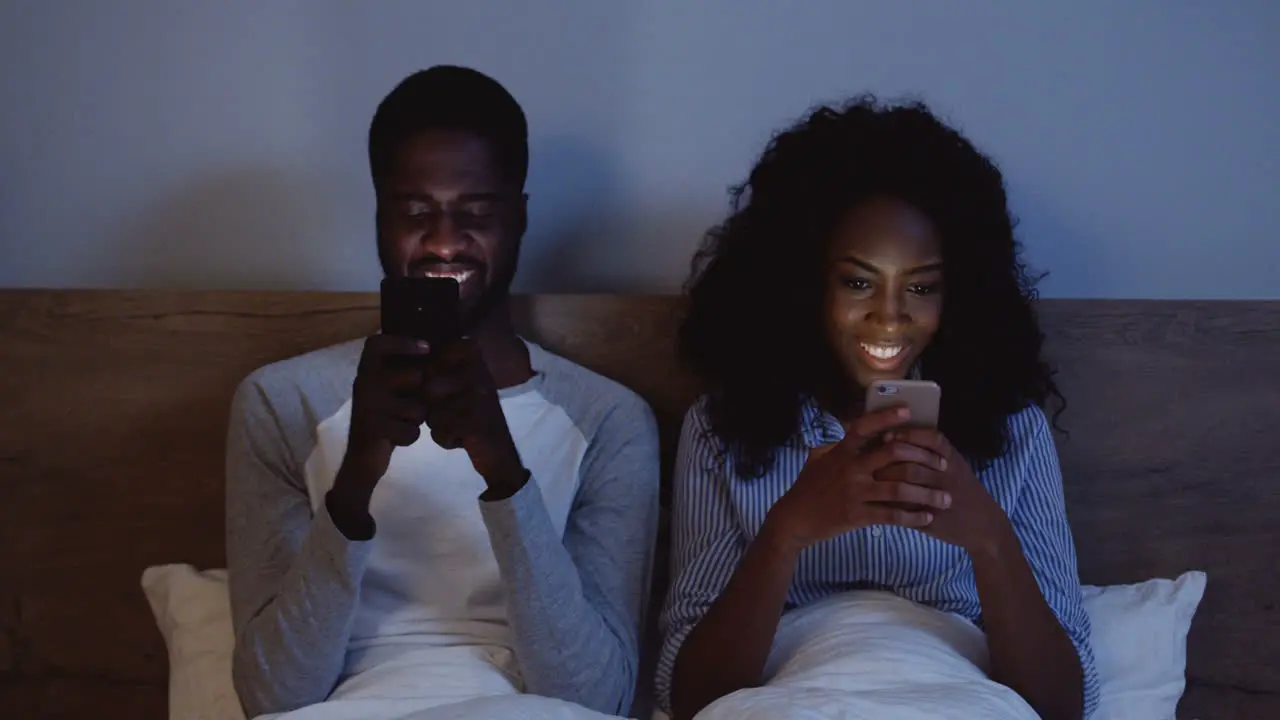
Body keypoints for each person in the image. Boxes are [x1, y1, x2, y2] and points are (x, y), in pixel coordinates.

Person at [225, 66, 659, 718]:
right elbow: (273, 695)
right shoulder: (281, 402)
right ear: (380, 217)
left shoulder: (609, 420)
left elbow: (596, 695)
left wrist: (503, 470)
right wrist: (359, 470)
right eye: (415, 212)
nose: (445, 241)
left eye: (476, 212)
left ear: (518, 218)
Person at [656, 96, 1099, 720]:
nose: (890, 317)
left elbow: (1063, 706)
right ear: (805, 280)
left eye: (921, 287)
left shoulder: (1012, 432)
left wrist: (988, 538)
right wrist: (787, 532)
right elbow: (690, 696)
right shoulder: (720, 430)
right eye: (858, 281)